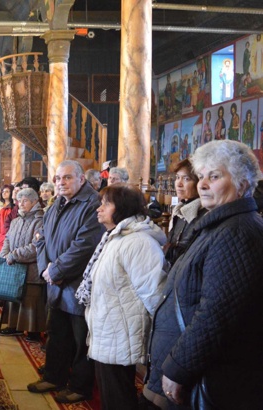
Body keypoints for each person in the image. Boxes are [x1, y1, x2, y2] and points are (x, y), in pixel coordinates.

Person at [145, 140, 263, 409]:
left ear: (243, 184)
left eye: (215, 176)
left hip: (203, 375)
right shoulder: (218, 225)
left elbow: (216, 315)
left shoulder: (236, 232)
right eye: (201, 176)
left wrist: (178, 368)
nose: (202, 185)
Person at [76, 184, 167, 409]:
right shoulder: (115, 237)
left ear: (123, 208)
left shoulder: (137, 242)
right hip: (109, 330)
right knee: (111, 395)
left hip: (121, 334)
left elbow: (155, 295)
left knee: (118, 398)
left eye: (106, 203)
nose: (99, 208)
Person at [27, 160, 104, 404]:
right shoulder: (56, 204)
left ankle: (80, 386)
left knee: (81, 340)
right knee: (57, 335)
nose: (61, 183)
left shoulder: (92, 204)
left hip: (77, 284)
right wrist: (45, 270)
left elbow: (85, 245)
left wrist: (56, 270)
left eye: (67, 178)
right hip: (55, 281)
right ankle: (54, 376)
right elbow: (41, 239)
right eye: (58, 178)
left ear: (82, 179)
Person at [0, 188, 45, 338]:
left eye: (25, 200)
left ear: (34, 202)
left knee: (31, 299)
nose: (21, 204)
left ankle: (33, 330)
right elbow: (8, 238)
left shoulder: (40, 220)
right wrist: (4, 254)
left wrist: (14, 255)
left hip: (31, 268)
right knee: (15, 297)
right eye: (19, 201)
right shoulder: (16, 220)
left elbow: (35, 246)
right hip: (15, 266)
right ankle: (14, 325)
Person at [164, 159, 206, 267]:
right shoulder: (179, 210)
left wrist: (167, 250)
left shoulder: (203, 213)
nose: (179, 183)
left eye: (186, 179)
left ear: (199, 183)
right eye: (177, 177)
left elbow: (191, 256)